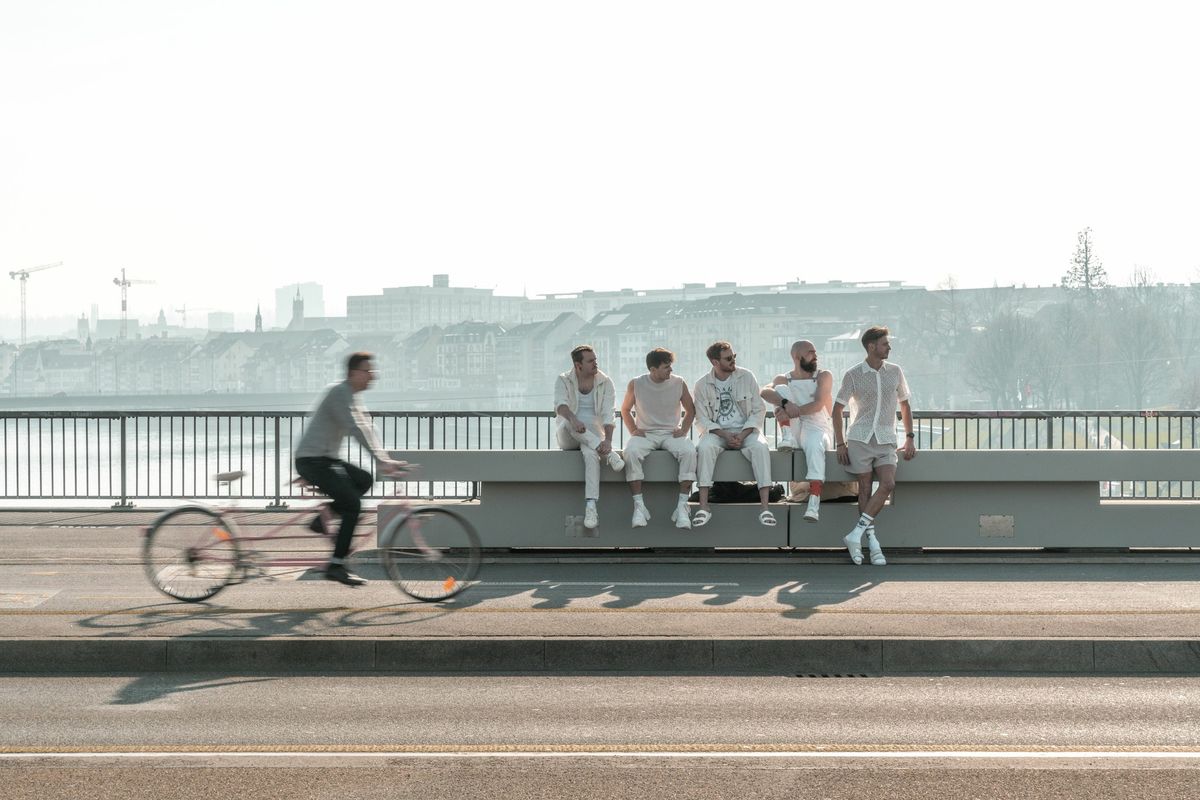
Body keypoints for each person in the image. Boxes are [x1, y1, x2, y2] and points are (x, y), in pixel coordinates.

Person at [294, 352, 405, 586]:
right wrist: (381, 460)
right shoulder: (339, 393)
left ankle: (321, 522)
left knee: (364, 479)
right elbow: (354, 429)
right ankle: (336, 565)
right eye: (367, 370)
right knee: (353, 506)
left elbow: (367, 428)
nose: (372, 375)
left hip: (326, 459)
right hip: (312, 460)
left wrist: (384, 459)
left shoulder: (352, 395)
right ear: (353, 373)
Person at [832, 326, 916, 566]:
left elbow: (905, 405)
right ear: (871, 346)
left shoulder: (896, 372)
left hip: (887, 439)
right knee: (865, 487)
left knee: (888, 483)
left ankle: (855, 535)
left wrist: (909, 437)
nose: (889, 347)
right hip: (859, 438)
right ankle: (872, 541)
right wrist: (840, 442)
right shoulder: (853, 374)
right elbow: (837, 409)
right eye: (884, 343)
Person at [692, 341, 776, 527]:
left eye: (734, 356)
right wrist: (724, 435)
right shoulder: (702, 384)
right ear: (715, 362)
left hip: (746, 430)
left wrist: (743, 434)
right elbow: (702, 420)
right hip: (718, 432)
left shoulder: (747, 376)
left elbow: (758, 410)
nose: (733, 361)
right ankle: (703, 507)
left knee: (761, 447)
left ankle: (765, 508)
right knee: (704, 448)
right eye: (728, 358)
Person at [620, 348, 697, 529]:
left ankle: (682, 507)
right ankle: (639, 507)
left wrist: (684, 429)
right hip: (645, 434)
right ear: (652, 369)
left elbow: (691, 409)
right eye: (666, 367)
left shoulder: (679, 382)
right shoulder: (636, 383)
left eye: (670, 366)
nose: (670, 370)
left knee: (689, 451)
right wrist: (633, 430)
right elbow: (625, 409)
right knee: (630, 452)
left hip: (671, 433)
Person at [761, 339, 834, 522]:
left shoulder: (823, 376)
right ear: (797, 356)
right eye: (810, 352)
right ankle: (786, 437)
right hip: (795, 427)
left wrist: (792, 411)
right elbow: (764, 392)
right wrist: (785, 404)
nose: (815, 355)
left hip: (817, 426)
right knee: (780, 390)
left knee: (814, 445)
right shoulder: (783, 378)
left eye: (815, 352)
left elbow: (818, 404)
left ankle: (813, 503)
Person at [554, 344, 625, 529]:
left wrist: (608, 440)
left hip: (593, 438)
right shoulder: (563, 380)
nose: (596, 363)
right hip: (568, 434)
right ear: (578, 365)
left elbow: (610, 414)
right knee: (569, 422)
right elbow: (561, 406)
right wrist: (574, 419)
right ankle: (609, 455)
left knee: (592, 455)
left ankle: (591, 506)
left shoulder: (605, 381)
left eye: (595, 359)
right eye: (591, 361)